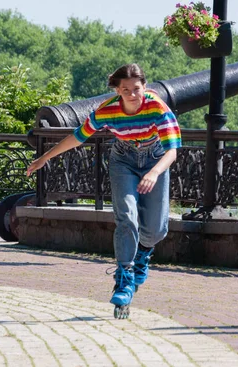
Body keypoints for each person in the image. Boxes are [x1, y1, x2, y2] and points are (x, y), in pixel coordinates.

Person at [26, 63, 181, 319]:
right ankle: (124, 276)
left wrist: (154, 173)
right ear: (118, 90)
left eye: (137, 89)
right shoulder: (108, 111)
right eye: (126, 90)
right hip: (123, 161)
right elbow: (79, 136)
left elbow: (172, 150)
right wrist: (45, 157)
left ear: (145, 87)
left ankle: (143, 253)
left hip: (156, 159)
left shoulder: (157, 108)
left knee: (156, 230)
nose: (133, 94)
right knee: (126, 217)